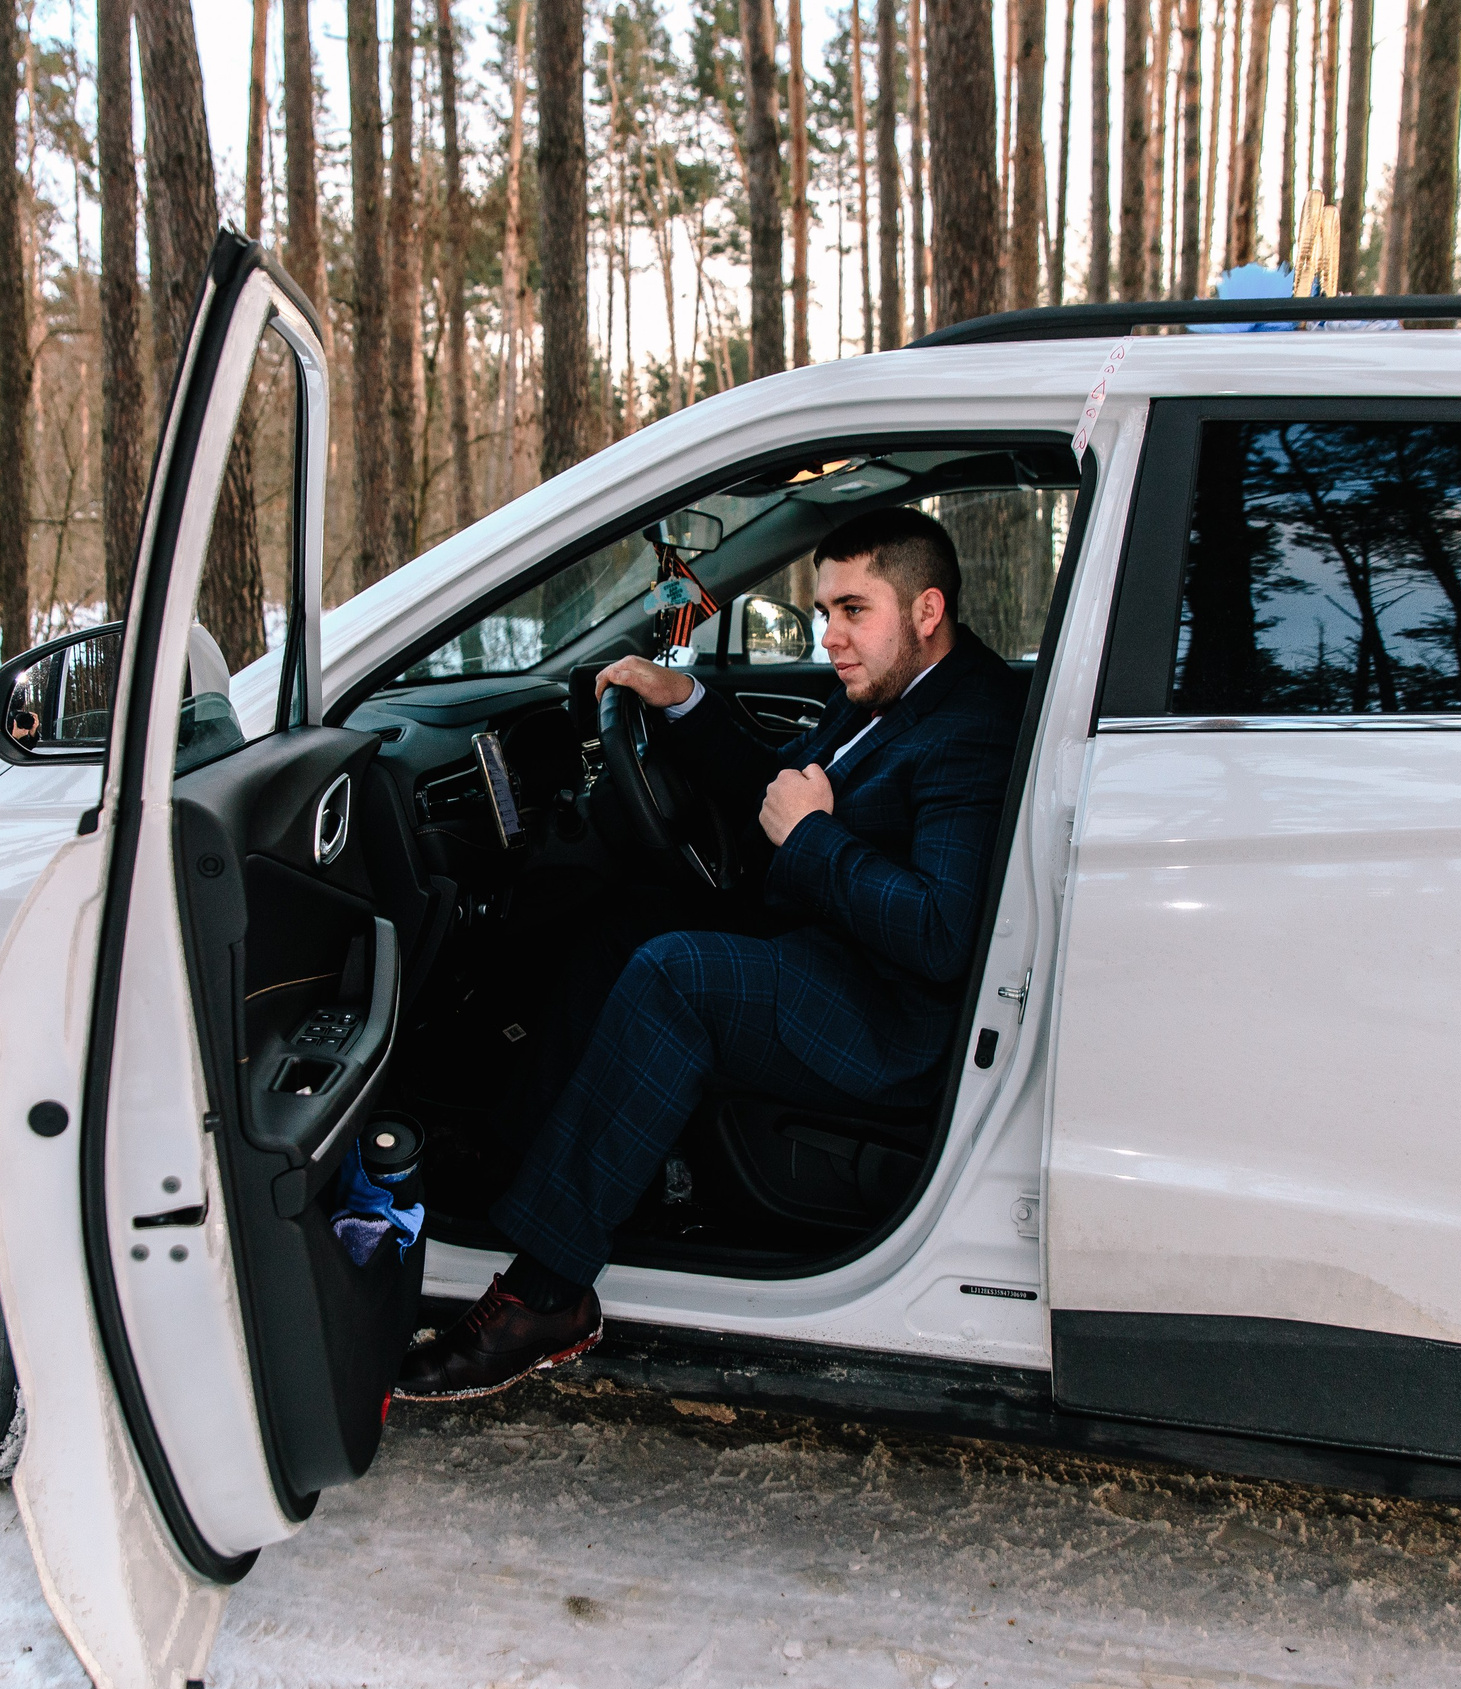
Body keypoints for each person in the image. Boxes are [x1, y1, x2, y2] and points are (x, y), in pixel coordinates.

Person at [394, 505, 1024, 1400]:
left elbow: (940, 932)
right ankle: (517, 1162)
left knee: (672, 976)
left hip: (893, 1015)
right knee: (626, 927)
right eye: (823, 613)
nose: (832, 636)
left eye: (854, 610)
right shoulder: (897, 693)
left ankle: (546, 1297)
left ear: (926, 611)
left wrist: (813, 840)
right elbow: (782, 780)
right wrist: (682, 700)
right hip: (835, 947)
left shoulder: (969, 725)